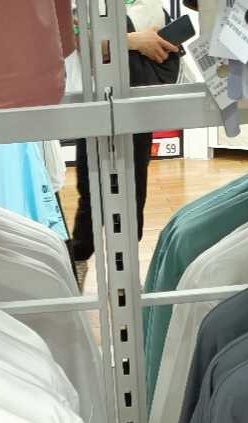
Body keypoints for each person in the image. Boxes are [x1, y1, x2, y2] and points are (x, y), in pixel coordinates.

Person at [70, 12, 179, 288]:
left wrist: (154, 43)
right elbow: (73, 41)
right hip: (94, 100)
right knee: (92, 187)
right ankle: (80, 257)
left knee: (132, 188)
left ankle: (125, 274)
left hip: (134, 100)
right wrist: (132, 41)